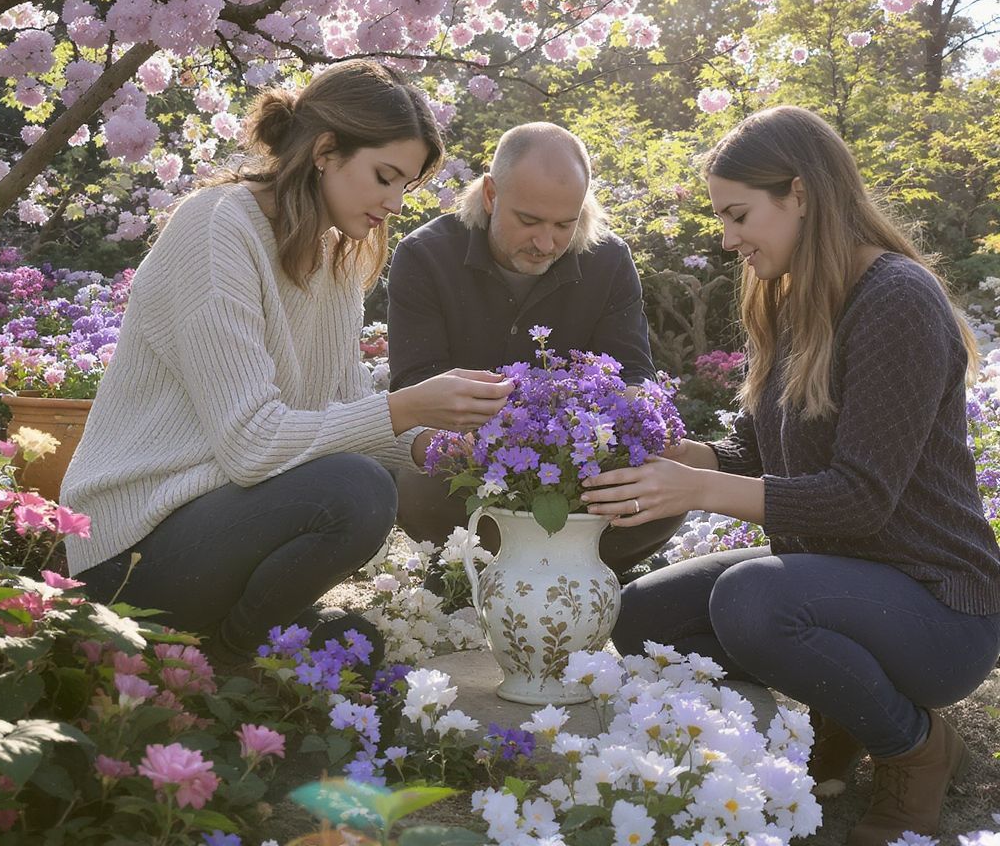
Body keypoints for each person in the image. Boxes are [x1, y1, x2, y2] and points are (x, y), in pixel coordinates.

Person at [580, 105, 1000, 846]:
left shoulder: (897, 299)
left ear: (799, 194)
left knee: (754, 599)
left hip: (940, 607)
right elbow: (753, 452)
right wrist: (683, 461)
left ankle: (916, 747)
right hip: (839, 579)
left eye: (738, 214)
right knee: (641, 616)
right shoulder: (789, 299)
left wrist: (701, 493)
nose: (727, 237)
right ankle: (838, 710)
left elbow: (863, 500)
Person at [61, 61, 513, 666]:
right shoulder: (217, 227)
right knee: (355, 491)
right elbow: (252, 444)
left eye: (405, 185)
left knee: (356, 646)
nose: (394, 202)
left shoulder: (334, 258)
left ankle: (230, 642)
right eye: (385, 176)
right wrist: (406, 406)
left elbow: (344, 416)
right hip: (128, 552)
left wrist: (437, 443)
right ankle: (223, 662)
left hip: (216, 528)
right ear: (326, 149)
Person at [388, 121, 684, 575]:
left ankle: (578, 569)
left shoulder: (608, 259)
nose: (546, 243)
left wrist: (641, 412)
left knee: (671, 481)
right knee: (419, 486)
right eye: (528, 221)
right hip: (470, 463)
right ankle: (477, 568)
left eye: (565, 224)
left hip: (583, 467)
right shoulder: (424, 255)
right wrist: (476, 445)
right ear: (491, 194)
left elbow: (630, 371)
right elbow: (415, 384)